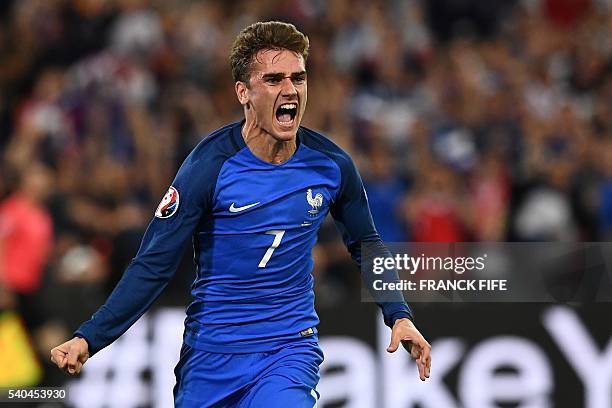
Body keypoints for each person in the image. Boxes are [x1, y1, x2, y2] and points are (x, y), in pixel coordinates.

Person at [50, 21, 431, 407]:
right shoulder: (208, 167)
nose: (290, 90)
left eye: (298, 78)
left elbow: (366, 244)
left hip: (288, 351)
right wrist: (89, 337)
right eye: (273, 79)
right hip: (211, 358)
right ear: (243, 93)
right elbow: (153, 265)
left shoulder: (331, 165)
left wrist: (398, 313)